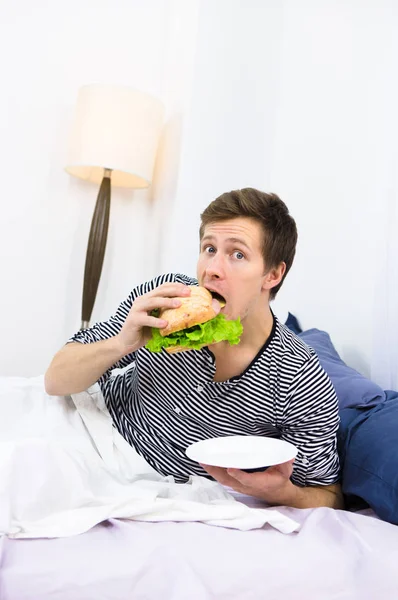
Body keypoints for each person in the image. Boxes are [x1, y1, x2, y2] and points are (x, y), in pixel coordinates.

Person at [45, 188, 343, 509]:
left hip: (168, 493)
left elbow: (329, 495)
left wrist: (281, 492)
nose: (212, 268)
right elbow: (55, 381)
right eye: (209, 248)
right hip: (92, 430)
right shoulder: (168, 299)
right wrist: (123, 342)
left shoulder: (298, 375)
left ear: (272, 274)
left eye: (237, 254)